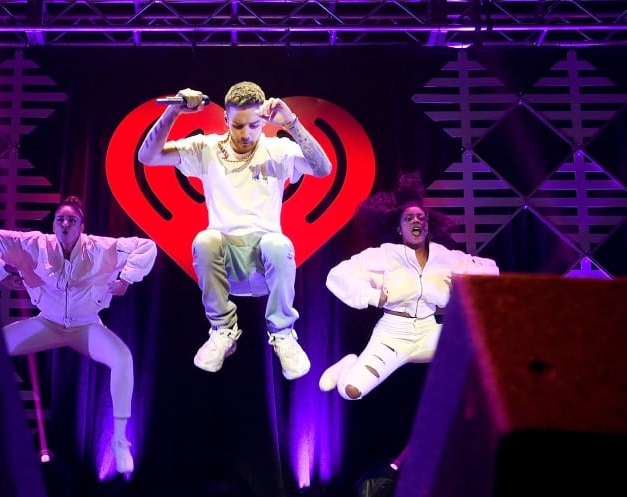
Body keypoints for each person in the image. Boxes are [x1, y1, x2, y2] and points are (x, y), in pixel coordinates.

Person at [137, 81, 332, 380]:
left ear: (264, 121)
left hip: (265, 266)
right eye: (238, 125)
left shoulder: (278, 149)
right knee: (205, 239)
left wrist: (291, 122)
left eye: (254, 125)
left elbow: (323, 169)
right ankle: (222, 330)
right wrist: (174, 112)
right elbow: (147, 157)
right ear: (226, 119)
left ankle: (283, 334)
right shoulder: (206, 147)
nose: (246, 134)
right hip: (226, 265)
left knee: (278, 244)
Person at [318, 171, 499, 481]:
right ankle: (350, 365)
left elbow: (490, 270)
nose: (417, 221)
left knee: (478, 351)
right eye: (410, 218)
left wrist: (462, 283)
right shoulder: (386, 256)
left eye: (422, 217)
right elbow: (337, 276)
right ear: (399, 227)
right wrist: (373, 295)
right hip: (393, 335)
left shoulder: (444, 257)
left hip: (430, 332)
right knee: (351, 392)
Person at [0, 195, 157, 474]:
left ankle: (120, 441)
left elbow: (146, 247)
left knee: (122, 359)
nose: (65, 224)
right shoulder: (35, 244)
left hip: (86, 326)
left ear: (81, 226)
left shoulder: (100, 248)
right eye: (60, 219)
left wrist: (127, 279)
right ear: (54, 224)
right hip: (47, 324)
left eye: (72, 220)